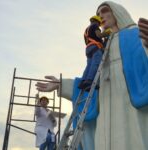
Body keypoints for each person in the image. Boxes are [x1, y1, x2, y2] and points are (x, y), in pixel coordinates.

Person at [35, 1, 148, 150]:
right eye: (98, 13)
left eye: (105, 11)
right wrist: (61, 84)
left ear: (118, 12)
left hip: (128, 104)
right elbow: (91, 79)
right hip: (104, 103)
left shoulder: (135, 35)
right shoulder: (103, 46)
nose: (101, 15)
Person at [78, 15, 111, 91]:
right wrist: (107, 32)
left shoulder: (87, 29)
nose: (100, 25)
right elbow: (99, 35)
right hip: (95, 47)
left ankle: (83, 82)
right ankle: (89, 81)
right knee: (95, 64)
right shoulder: (95, 26)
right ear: (97, 21)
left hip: (88, 49)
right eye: (100, 23)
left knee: (89, 65)